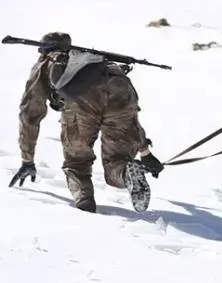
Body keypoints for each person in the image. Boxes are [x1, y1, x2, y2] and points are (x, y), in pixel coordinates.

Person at [8, 31, 164, 213]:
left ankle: (85, 210)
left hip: (82, 103)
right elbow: (130, 118)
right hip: (121, 88)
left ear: (43, 50)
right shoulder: (97, 61)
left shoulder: (46, 63)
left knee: (77, 164)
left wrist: (27, 160)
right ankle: (126, 173)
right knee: (117, 161)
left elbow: (30, 114)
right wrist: (145, 153)